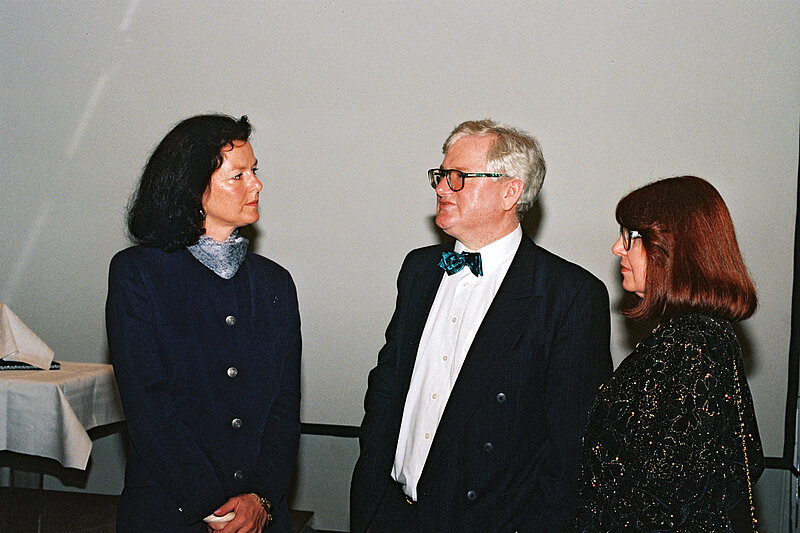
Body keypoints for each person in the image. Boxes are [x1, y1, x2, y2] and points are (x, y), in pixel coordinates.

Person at [350, 119, 613, 532]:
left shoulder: (569, 295)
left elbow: (570, 453)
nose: (441, 188)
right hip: (391, 515)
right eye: (440, 176)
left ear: (510, 191)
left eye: (458, 177)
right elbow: (386, 389)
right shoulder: (419, 269)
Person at [106, 114, 301, 532]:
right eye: (238, 176)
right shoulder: (138, 274)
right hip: (172, 514)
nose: (256, 185)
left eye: (254, 171)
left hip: (260, 518)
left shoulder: (275, 283)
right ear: (193, 189)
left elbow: (284, 409)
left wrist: (261, 499)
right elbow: (149, 408)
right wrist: (214, 508)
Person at [577, 175, 765, 531]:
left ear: (675, 247)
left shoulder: (693, 343)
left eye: (631, 236)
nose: (617, 248)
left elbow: (664, 499)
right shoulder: (690, 337)